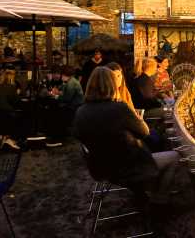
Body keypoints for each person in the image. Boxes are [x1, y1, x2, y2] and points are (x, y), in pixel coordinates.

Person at [73, 67, 180, 207]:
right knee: (174, 156)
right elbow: (145, 132)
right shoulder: (119, 108)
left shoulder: (81, 111)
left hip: (100, 168)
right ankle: (159, 200)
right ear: (112, 85)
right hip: (126, 167)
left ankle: (146, 193)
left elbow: (79, 136)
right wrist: (134, 119)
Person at [45, 65, 84, 147]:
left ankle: (57, 137)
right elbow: (64, 93)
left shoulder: (71, 83)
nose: (60, 77)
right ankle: (56, 135)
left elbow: (66, 98)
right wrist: (57, 93)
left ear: (65, 75)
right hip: (71, 106)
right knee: (54, 110)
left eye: (61, 75)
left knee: (56, 114)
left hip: (74, 108)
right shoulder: (70, 81)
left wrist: (55, 96)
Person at [0, 65, 21, 150]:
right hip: (5, 114)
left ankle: (3, 137)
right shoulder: (11, 86)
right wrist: (17, 93)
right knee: (20, 114)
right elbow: (16, 101)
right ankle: (10, 138)